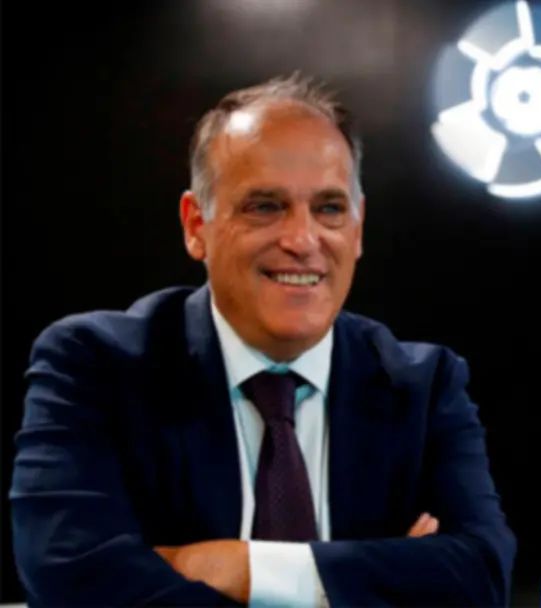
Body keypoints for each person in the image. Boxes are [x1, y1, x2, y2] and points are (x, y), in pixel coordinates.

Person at [10, 74, 515, 606]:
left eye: (329, 208)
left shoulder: (424, 386)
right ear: (196, 225)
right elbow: (72, 578)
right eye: (265, 206)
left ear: (358, 228)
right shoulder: (96, 367)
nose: (302, 239)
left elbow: (480, 577)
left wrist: (238, 567)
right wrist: (377, 576)